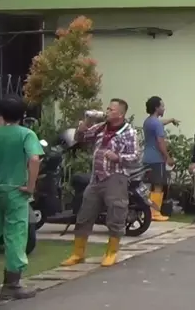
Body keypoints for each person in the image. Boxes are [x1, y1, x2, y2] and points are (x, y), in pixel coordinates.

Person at [61, 98, 139, 269]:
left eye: (111, 109)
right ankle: (78, 253)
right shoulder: (101, 127)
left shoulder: (129, 133)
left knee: (116, 213)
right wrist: (87, 121)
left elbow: (135, 157)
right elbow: (80, 138)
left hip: (116, 177)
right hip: (96, 178)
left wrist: (118, 157)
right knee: (85, 214)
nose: (108, 111)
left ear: (121, 114)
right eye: (108, 109)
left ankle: (111, 252)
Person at [0, 95, 40, 299]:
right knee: (15, 234)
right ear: (22, 114)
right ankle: (12, 284)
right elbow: (34, 158)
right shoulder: (26, 134)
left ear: (0, 114)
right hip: (15, 190)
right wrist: (30, 186)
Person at [142, 96, 179, 222]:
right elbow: (160, 142)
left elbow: (159, 122)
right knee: (158, 185)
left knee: (150, 185)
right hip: (157, 159)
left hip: (147, 157)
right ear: (157, 108)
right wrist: (167, 157)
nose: (164, 108)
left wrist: (171, 120)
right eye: (162, 106)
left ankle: (148, 211)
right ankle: (155, 212)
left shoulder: (148, 121)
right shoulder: (156, 124)